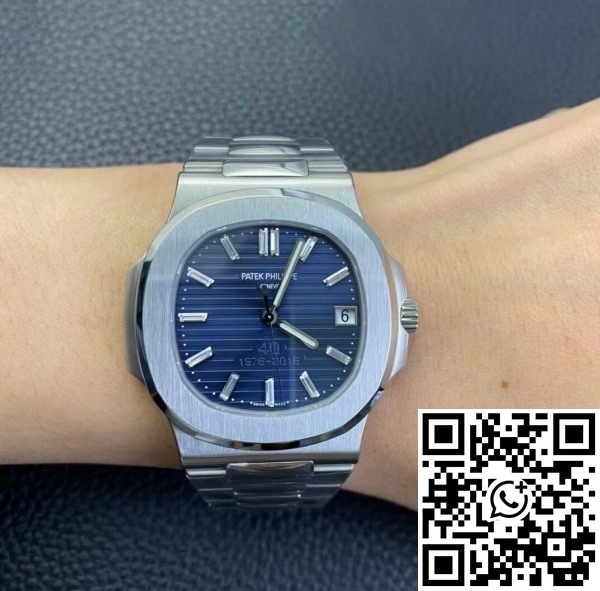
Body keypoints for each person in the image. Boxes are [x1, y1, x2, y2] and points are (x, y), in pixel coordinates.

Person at [0, 99, 598, 510]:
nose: (270, 318)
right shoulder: (548, 516)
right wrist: (542, 527)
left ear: (401, 320)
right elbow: (548, 539)